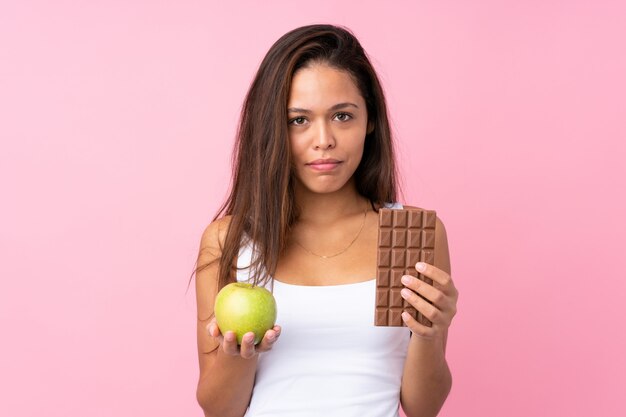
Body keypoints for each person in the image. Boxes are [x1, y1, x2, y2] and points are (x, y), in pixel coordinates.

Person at [193, 24, 458, 417]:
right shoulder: (230, 240)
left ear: (370, 121)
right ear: (273, 129)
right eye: (299, 120)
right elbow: (218, 410)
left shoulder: (410, 235)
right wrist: (241, 356)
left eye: (342, 116)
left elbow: (422, 407)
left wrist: (430, 334)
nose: (323, 140)